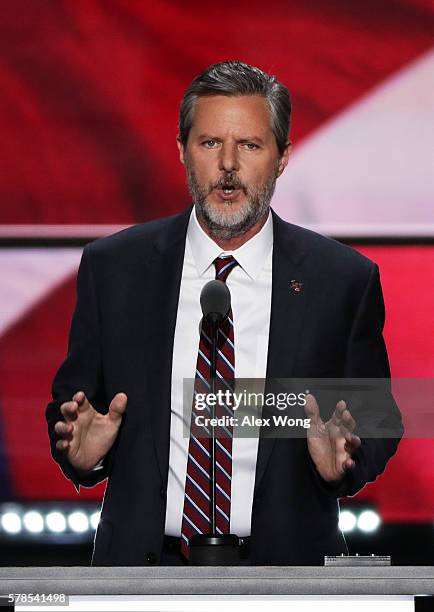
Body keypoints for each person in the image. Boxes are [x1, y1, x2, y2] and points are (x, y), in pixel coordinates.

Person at [46, 61, 403, 566]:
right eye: (210, 143)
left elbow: (375, 419)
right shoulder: (114, 269)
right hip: (143, 576)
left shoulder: (341, 280)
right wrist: (83, 456)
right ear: (182, 152)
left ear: (281, 158)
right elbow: (75, 409)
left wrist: (345, 461)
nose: (228, 164)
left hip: (287, 576)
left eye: (251, 146)